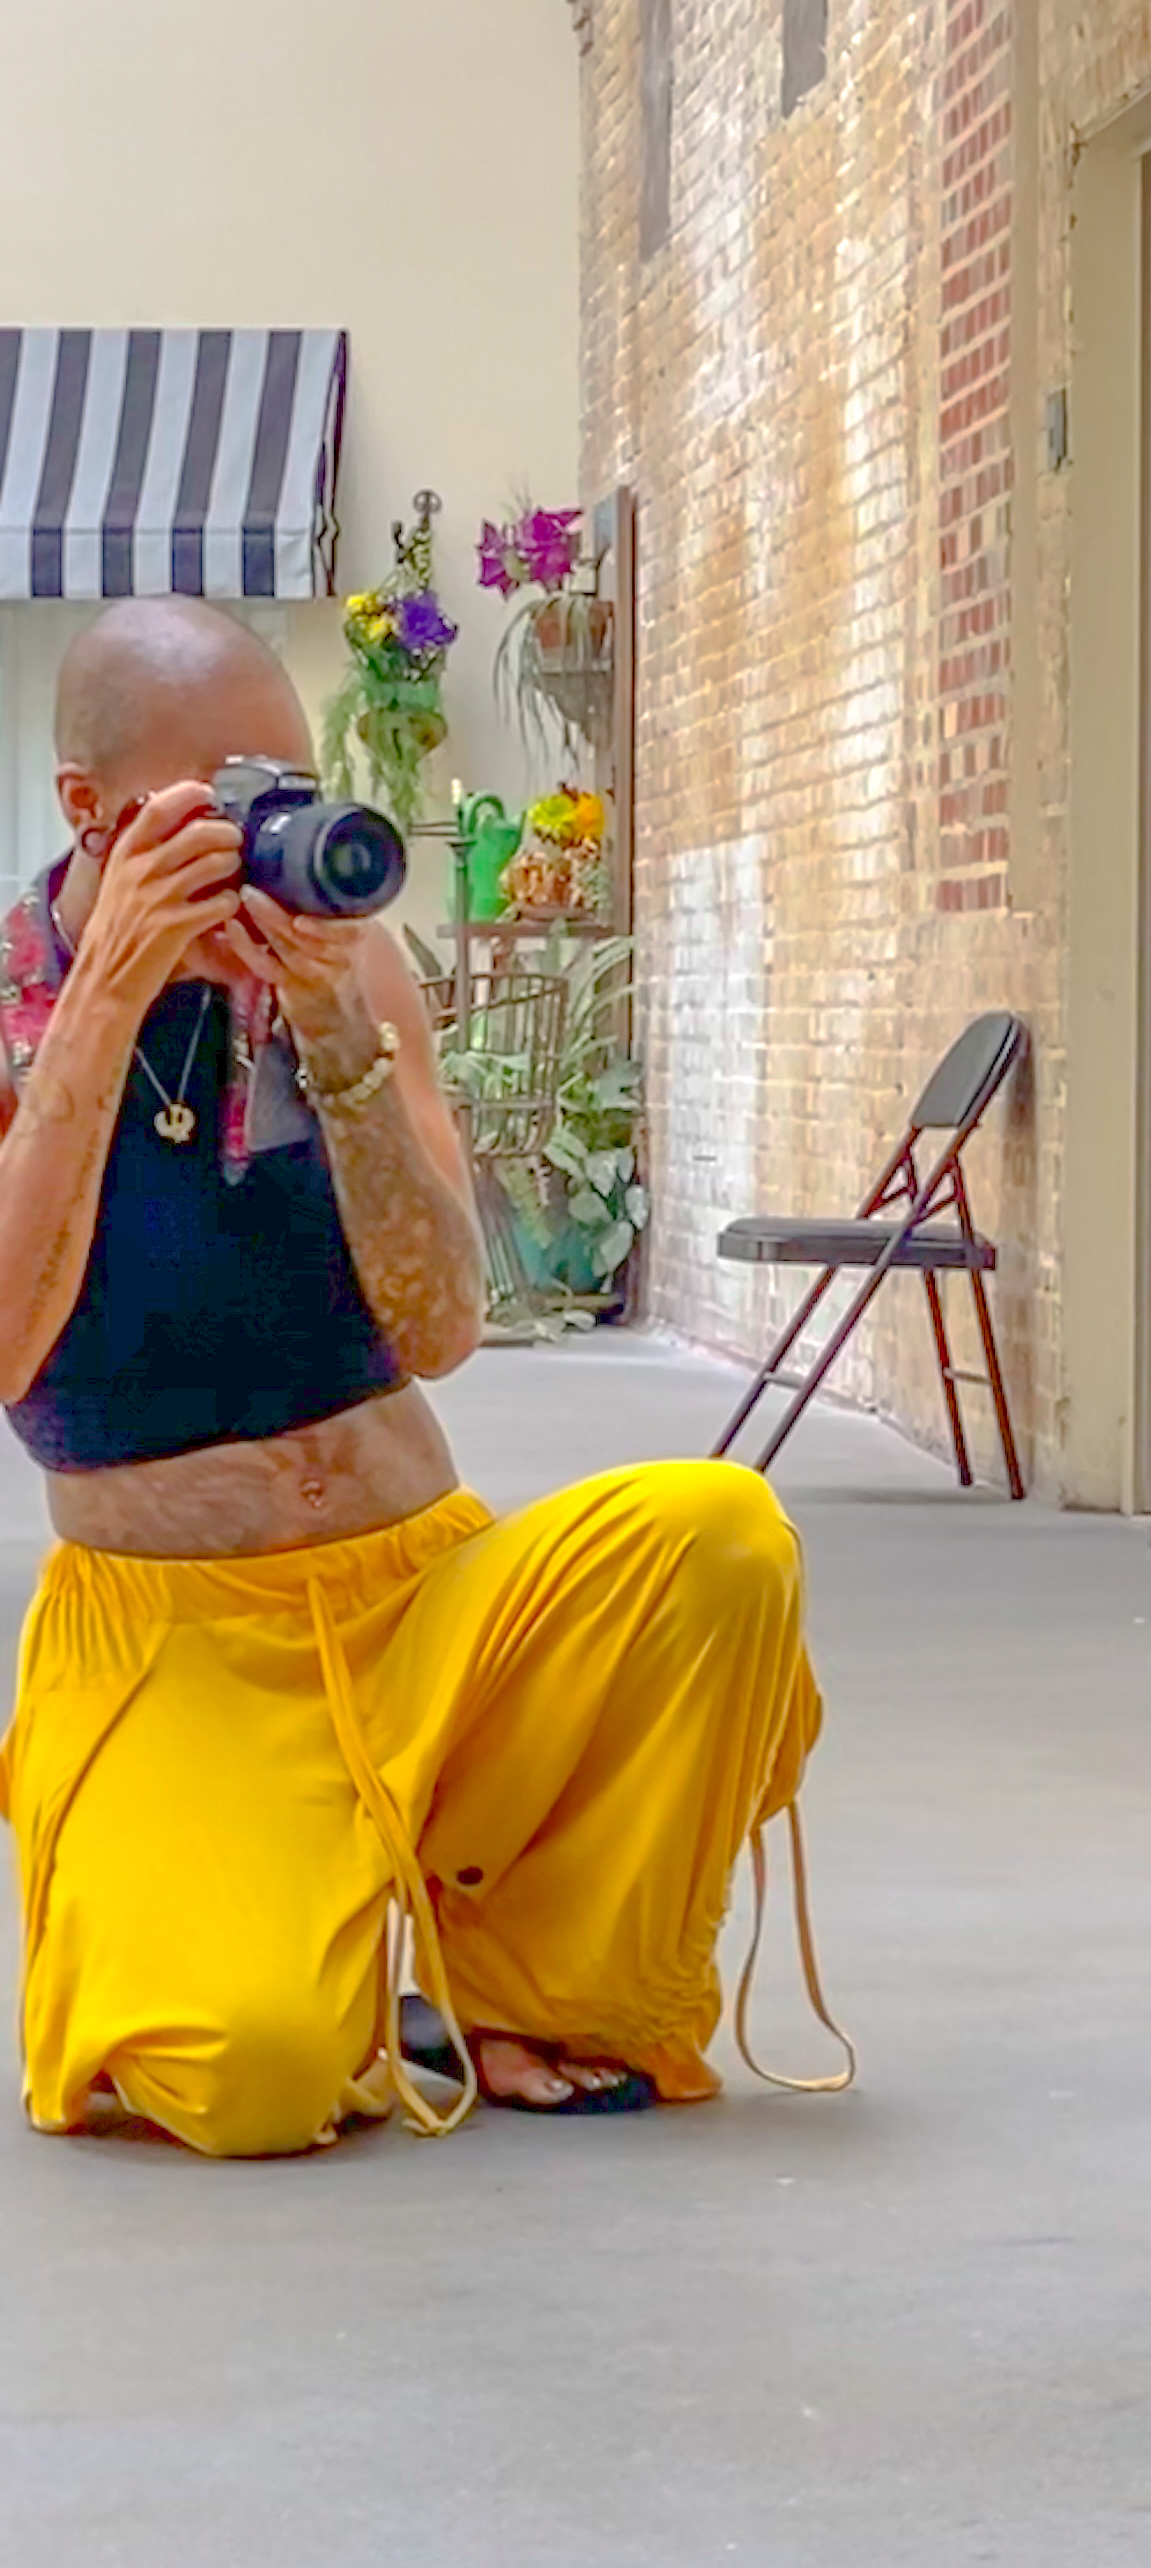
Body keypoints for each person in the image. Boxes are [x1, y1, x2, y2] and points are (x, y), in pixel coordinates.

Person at [0, 597, 838, 2156]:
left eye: (286, 791)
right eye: (219, 803)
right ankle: (295, 1931)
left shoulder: (349, 968)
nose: (263, 839)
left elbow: (443, 1325)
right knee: (248, 2072)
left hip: (420, 1591)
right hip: (178, 1641)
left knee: (718, 1535)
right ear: (89, 810)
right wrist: (104, 1007)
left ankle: (516, 1986)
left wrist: (338, 1039)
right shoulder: (11, 995)